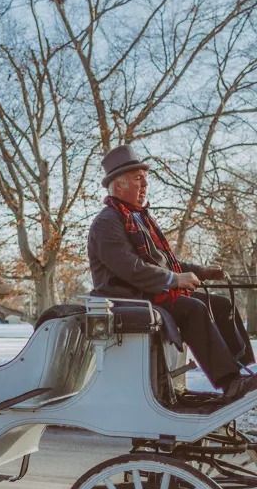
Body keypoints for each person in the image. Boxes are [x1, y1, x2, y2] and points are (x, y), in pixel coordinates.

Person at [88, 144, 257, 401]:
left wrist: (201, 271)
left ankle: (246, 371)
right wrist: (174, 279)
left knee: (221, 305)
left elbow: (165, 261)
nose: (144, 185)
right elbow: (130, 268)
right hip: (127, 298)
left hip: (149, 292)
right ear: (118, 185)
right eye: (137, 179)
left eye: (146, 179)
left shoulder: (138, 219)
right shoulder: (107, 223)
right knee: (194, 309)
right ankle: (229, 382)